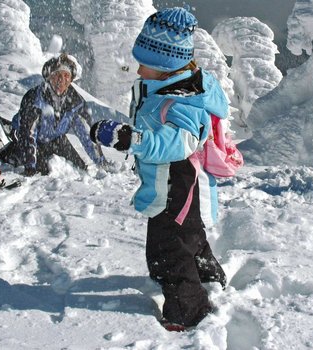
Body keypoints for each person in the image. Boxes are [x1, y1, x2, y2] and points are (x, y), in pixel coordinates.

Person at [89, 7, 227, 331]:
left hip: (176, 182)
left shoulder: (185, 100)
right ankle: (209, 275)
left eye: (145, 63)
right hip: (172, 181)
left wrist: (130, 139)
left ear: (166, 67)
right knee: (187, 234)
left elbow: (177, 143)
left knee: (168, 248)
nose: (138, 68)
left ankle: (188, 312)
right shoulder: (165, 86)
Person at [0, 53, 106, 175]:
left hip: (55, 138)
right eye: (57, 75)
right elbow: (28, 134)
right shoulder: (34, 99)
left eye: (66, 76)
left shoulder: (76, 103)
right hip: (27, 136)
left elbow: (87, 134)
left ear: (70, 80)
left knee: (80, 168)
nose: (61, 80)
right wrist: (30, 166)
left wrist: (101, 162)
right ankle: (7, 152)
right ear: (49, 77)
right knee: (43, 171)